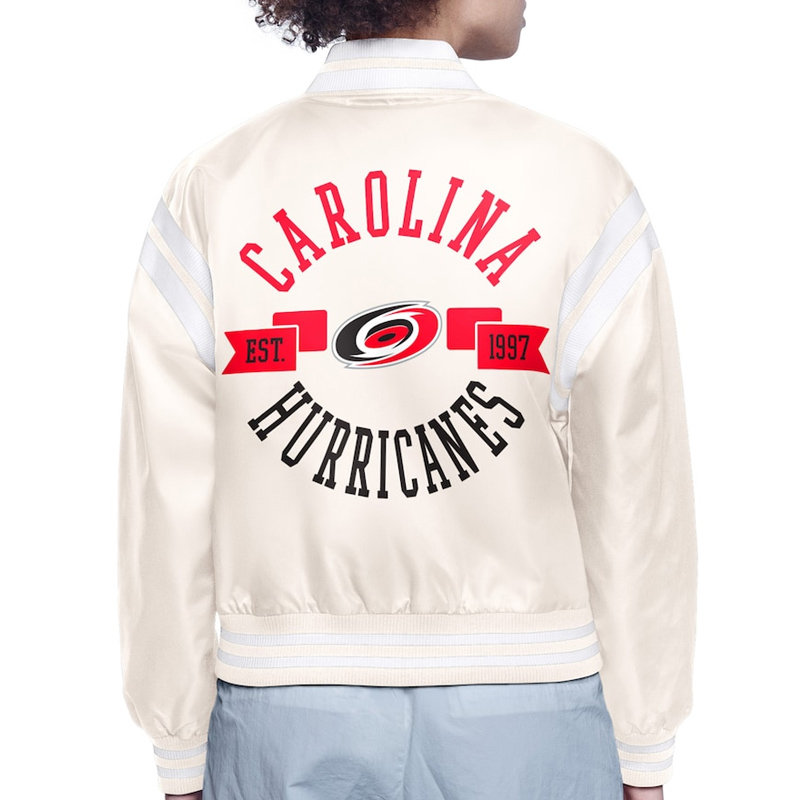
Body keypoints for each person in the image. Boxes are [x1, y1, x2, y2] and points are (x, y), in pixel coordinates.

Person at [116, 1, 698, 799]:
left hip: (282, 700)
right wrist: (646, 743)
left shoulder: (216, 186)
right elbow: (637, 494)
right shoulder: (580, 181)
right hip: (529, 705)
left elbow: (166, 493)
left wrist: (178, 745)